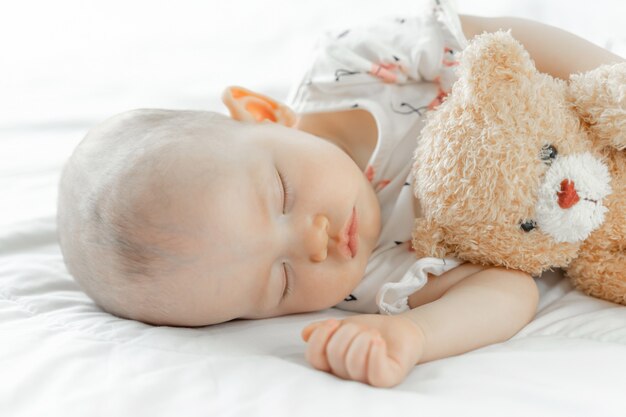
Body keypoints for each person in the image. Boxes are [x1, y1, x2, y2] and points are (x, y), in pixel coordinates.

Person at [56, 1, 624, 388]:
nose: (314, 243)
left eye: (280, 194)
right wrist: (414, 334)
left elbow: (504, 41)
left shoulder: (356, 72)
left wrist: (611, 79)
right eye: (279, 281)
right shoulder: (369, 283)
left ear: (266, 115)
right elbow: (507, 289)